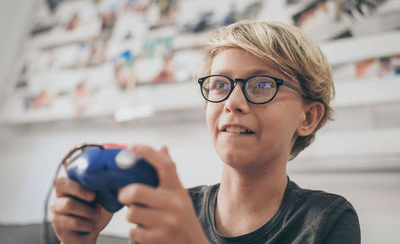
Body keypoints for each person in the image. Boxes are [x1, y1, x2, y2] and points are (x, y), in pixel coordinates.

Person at [50, 20, 361, 244]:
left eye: (263, 84)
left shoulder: (327, 219)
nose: (232, 102)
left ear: (308, 116)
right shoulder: (174, 209)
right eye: (220, 85)